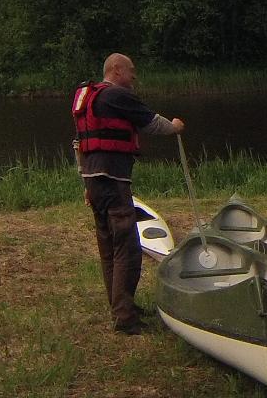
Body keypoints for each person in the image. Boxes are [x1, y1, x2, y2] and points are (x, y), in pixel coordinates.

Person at [71, 53, 184, 335]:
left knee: (109, 246)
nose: (134, 76)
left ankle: (121, 306)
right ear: (117, 70)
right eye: (131, 71)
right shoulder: (116, 96)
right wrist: (176, 127)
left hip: (95, 180)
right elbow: (152, 123)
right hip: (112, 180)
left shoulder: (91, 99)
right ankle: (125, 317)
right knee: (128, 248)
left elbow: (79, 144)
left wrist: (87, 185)